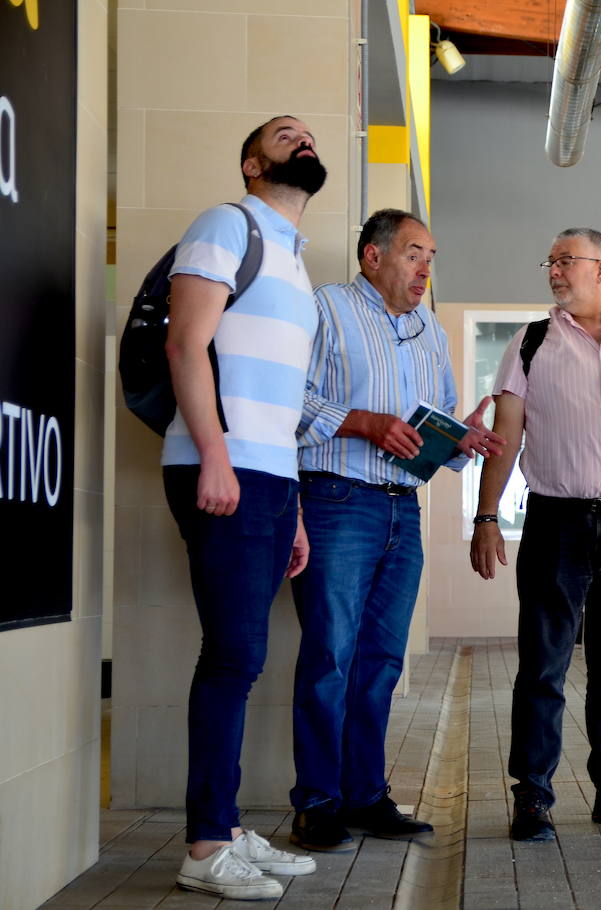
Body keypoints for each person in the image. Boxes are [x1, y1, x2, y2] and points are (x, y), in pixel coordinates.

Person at [290, 209, 504, 851]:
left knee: (381, 660)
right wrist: (362, 421)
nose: (426, 268)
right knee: (330, 654)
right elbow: (285, 397)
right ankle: (317, 803)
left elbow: (429, 428)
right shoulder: (324, 308)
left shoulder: (430, 330)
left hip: (401, 509)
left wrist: (462, 439)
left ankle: (365, 796)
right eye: (415, 254)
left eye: (431, 256)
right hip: (334, 500)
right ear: (372, 257)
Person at [163, 115, 327, 899]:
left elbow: (280, 401)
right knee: (230, 657)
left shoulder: (293, 260)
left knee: (245, 657)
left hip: (269, 477)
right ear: (252, 161)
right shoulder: (225, 225)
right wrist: (218, 456)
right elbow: (185, 343)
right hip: (220, 465)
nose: (306, 140)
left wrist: (291, 506)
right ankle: (204, 848)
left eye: (312, 136)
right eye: (288, 133)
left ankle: (224, 827)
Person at [470, 228, 601, 842]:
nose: (553, 271)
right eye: (550, 261)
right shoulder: (531, 342)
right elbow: (504, 436)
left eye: (566, 261)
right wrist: (485, 517)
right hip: (556, 521)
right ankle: (532, 796)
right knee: (542, 665)